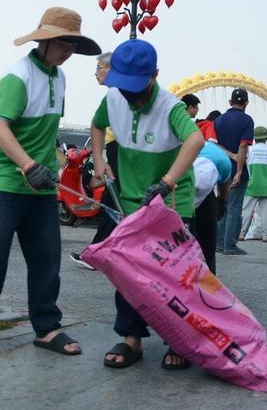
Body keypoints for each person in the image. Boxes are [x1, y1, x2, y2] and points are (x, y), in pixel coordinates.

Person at [0, 7, 100, 357]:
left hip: (43, 185)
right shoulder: (19, 76)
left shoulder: (59, 78)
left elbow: (47, 133)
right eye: (64, 43)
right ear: (44, 40)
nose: (69, 51)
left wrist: (52, 169)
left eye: (74, 44)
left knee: (47, 259)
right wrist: (29, 165)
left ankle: (46, 327)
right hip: (8, 182)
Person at [90, 39, 204, 370]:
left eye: (136, 88)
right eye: (123, 86)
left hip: (170, 201)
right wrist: (99, 160)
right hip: (131, 201)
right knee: (129, 273)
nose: (129, 95)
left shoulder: (170, 107)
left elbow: (195, 139)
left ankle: (179, 339)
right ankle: (131, 339)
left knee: (176, 275)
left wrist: (167, 181)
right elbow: (98, 125)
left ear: (154, 76)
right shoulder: (113, 97)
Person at [70, 50, 122, 270]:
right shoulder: (116, 93)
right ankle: (102, 253)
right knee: (114, 203)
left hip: (121, 152)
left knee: (114, 203)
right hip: (115, 151)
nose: (95, 73)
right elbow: (97, 124)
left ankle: (98, 254)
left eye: (99, 68)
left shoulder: (118, 93)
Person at [214, 89, 255, 256]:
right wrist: (238, 171)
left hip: (220, 169)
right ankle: (229, 245)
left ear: (230, 102)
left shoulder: (218, 120)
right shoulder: (247, 120)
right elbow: (243, 146)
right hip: (237, 169)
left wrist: (228, 155)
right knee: (234, 208)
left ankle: (218, 243)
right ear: (246, 103)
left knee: (223, 204)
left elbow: (214, 144)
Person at [194, 140, 232, 273]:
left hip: (207, 195)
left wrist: (222, 201)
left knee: (207, 242)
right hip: (179, 185)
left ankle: (208, 279)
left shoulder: (222, 161)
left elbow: (224, 186)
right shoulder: (180, 156)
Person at [239, 126, 267, 243]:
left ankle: (241, 234)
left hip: (251, 185)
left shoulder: (249, 150)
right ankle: (266, 236)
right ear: (266, 138)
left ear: (255, 138)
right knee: (266, 212)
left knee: (246, 211)